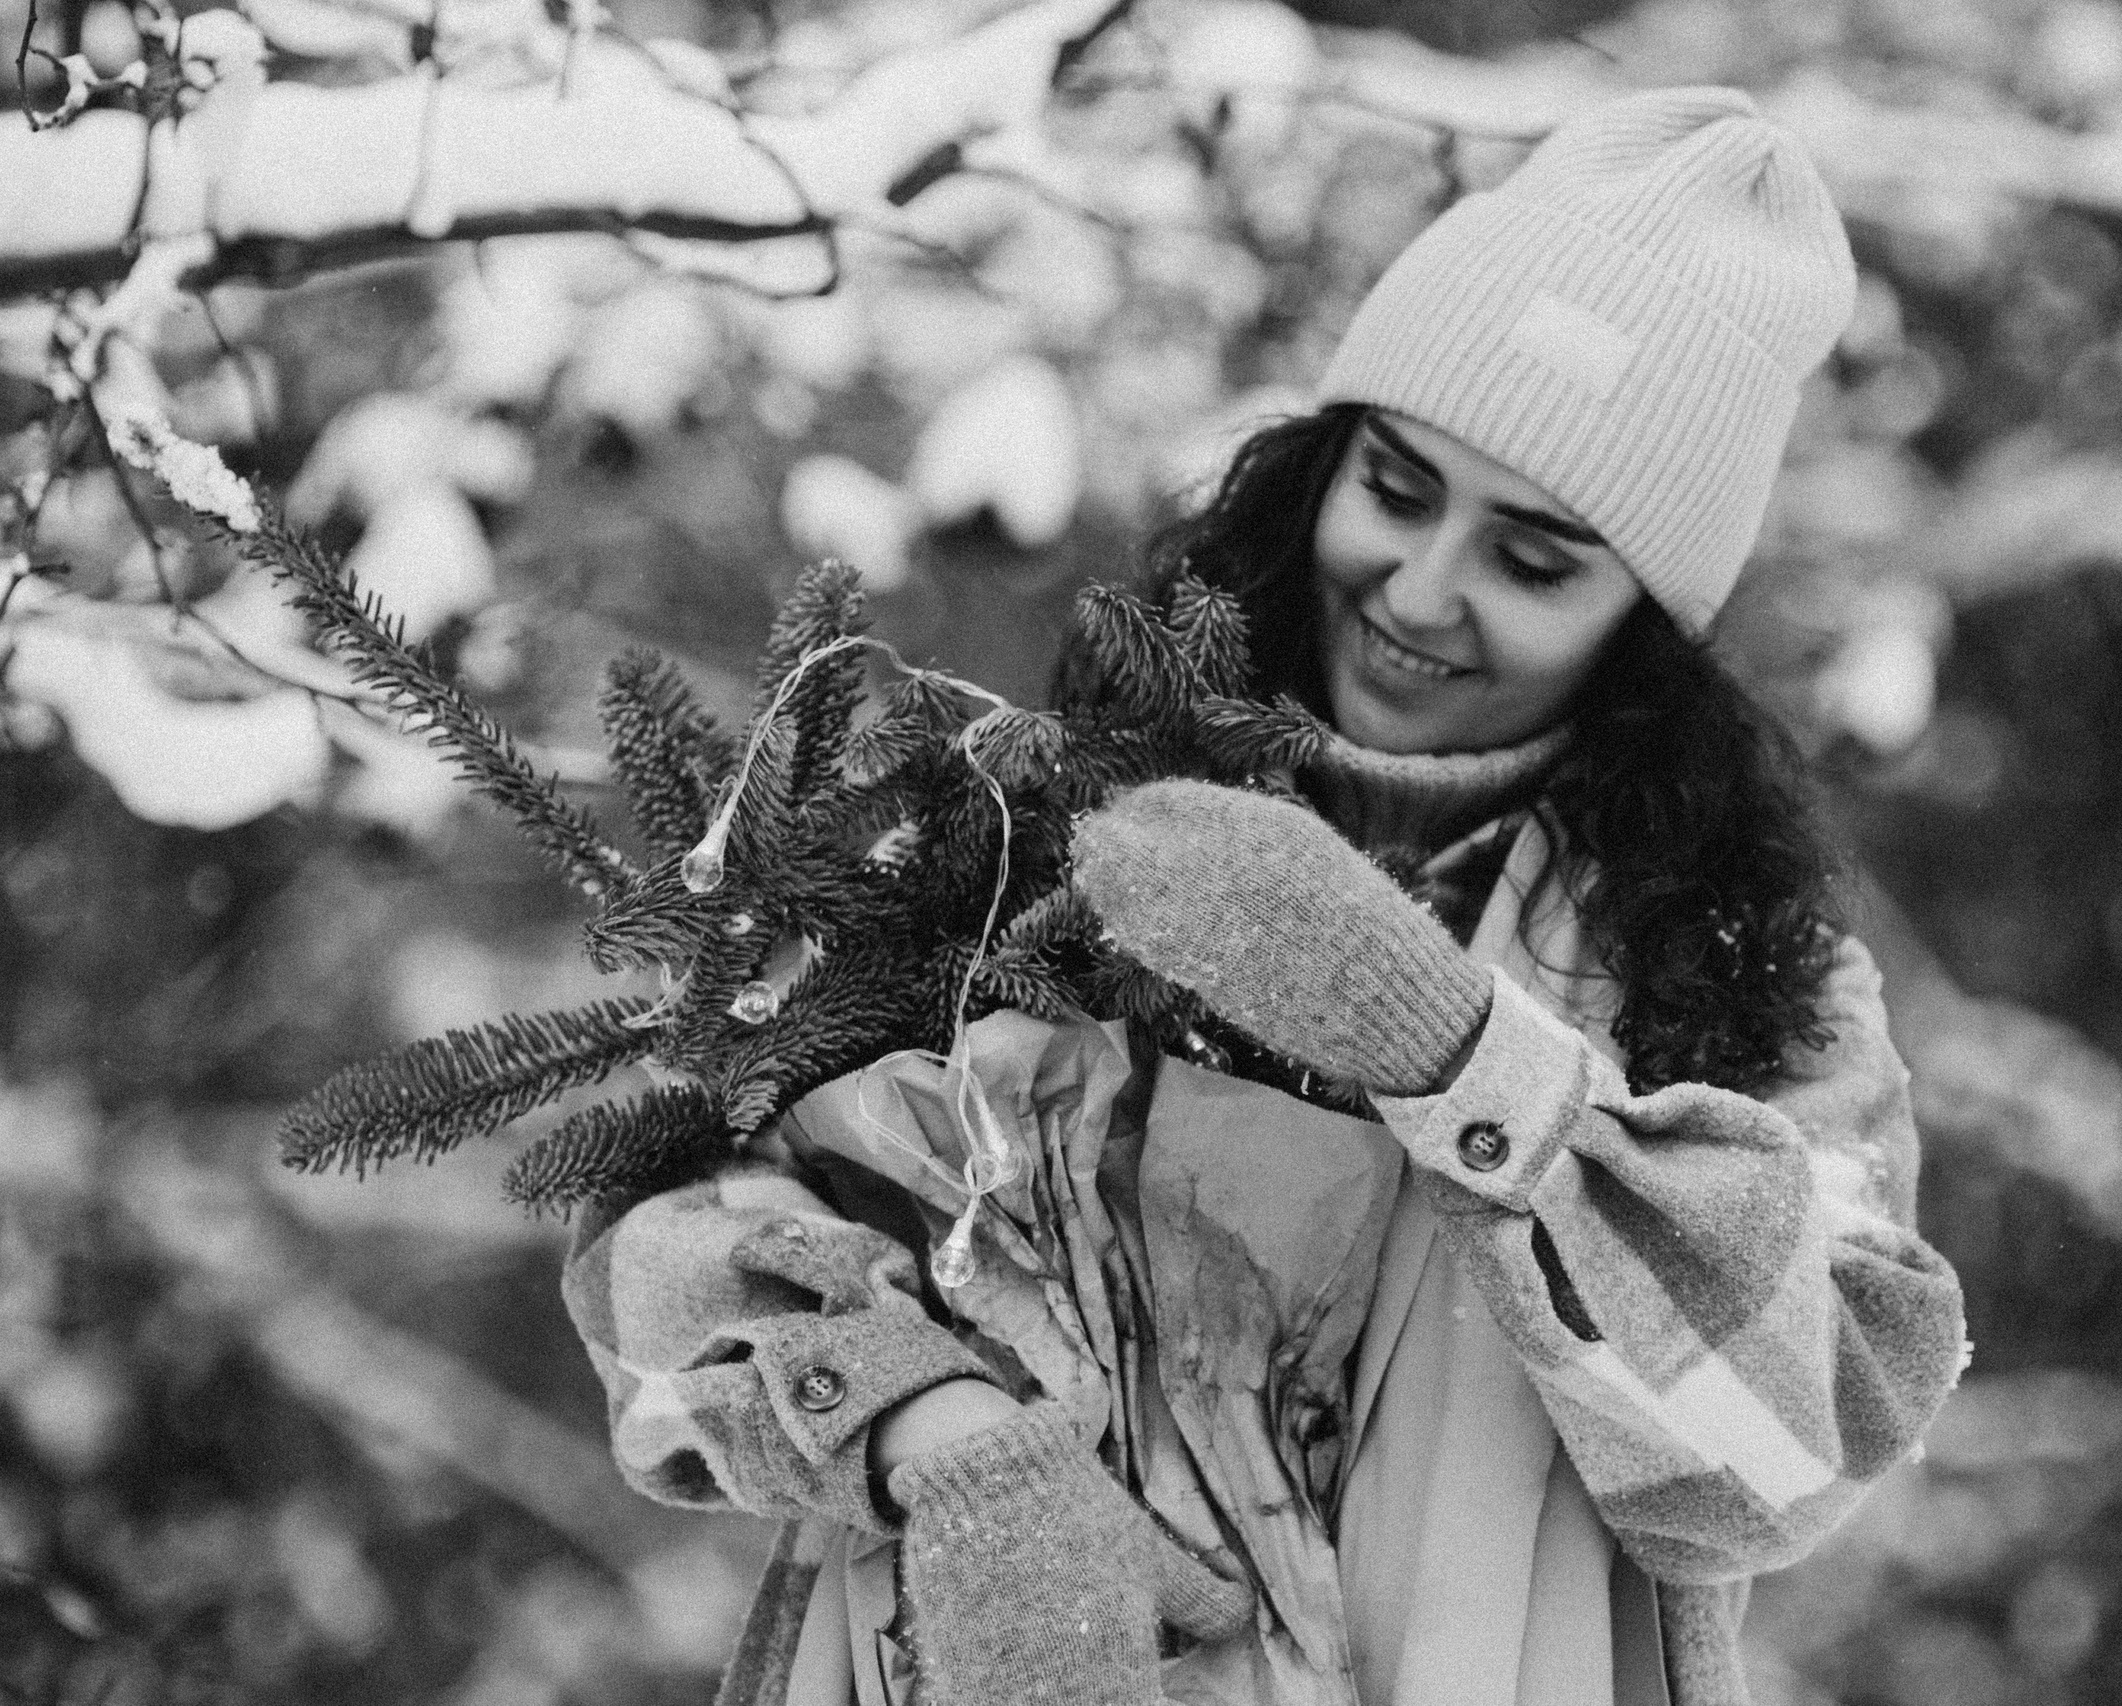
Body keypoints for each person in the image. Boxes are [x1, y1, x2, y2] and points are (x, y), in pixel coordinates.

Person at [562, 87, 1968, 1706]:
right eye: (1397, 483)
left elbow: (1807, 1444)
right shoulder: (1059, 816)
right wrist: (920, 1427)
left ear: (1644, 615)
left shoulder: (1735, 967)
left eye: (1534, 560)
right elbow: (653, 1254)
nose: (1422, 590)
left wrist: (1459, 1056)